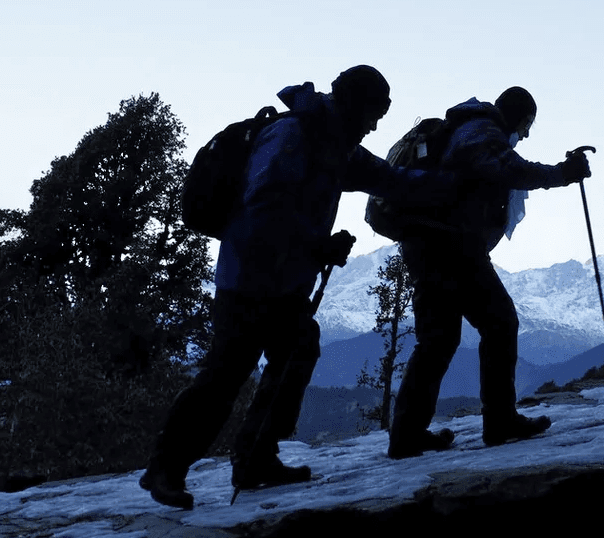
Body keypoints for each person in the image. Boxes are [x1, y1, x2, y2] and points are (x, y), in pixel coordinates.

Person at [140, 65, 455, 509]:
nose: (376, 123)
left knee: (297, 350)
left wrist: (455, 185)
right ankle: (166, 468)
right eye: (375, 111)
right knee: (225, 375)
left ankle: (254, 457)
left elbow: (392, 181)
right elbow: (263, 205)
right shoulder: (294, 135)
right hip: (247, 279)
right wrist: (318, 244)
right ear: (352, 102)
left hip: (284, 282)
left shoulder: (339, 145)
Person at [388, 87, 591, 459]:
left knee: (438, 339)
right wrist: (564, 174)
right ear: (518, 116)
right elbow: (512, 170)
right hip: (451, 245)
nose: (526, 134)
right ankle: (500, 421)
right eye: (528, 125)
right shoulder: (481, 132)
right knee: (499, 322)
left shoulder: (469, 129)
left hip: (427, 243)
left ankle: (406, 433)